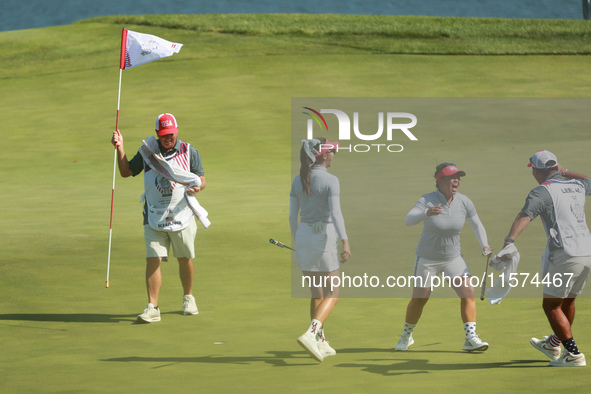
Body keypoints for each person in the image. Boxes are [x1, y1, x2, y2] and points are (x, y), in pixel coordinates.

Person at [110, 113, 206, 323]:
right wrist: (120, 147)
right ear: (157, 134)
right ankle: (152, 307)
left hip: (182, 215)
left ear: (176, 131)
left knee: (184, 258)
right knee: (153, 259)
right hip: (153, 215)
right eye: (163, 135)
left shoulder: (189, 151)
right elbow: (126, 172)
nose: (167, 138)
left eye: (170, 134)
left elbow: (201, 178)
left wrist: (198, 187)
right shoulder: (147, 152)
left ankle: (188, 297)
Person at [501, 150, 591, 367]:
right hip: (586, 252)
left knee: (551, 305)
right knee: (567, 300)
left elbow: (525, 216)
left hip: (565, 254)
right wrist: (566, 171)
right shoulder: (577, 186)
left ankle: (573, 355)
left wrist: (509, 241)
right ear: (556, 167)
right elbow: (588, 180)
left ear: (536, 170)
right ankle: (553, 343)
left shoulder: (542, 192)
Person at [395, 163, 493, 352]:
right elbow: (408, 220)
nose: (456, 180)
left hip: (453, 258)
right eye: (451, 177)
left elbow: (477, 225)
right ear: (439, 181)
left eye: (458, 177)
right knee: (419, 299)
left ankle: (470, 338)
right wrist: (426, 213)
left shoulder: (464, 201)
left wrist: (485, 246)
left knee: (468, 294)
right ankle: (406, 336)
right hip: (427, 259)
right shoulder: (428, 200)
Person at [289, 138, 351, 362]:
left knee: (317, 293)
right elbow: (336, 214)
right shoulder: (331, 180)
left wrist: (299, 244)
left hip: (304, 237)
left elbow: (291, 217)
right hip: (324, 237)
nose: (334, 154)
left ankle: (320, 341)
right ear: (323, 156)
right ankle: (311, 333)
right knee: (333, 294)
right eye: (332, 151)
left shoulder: (298, 179)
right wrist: (345, 241)